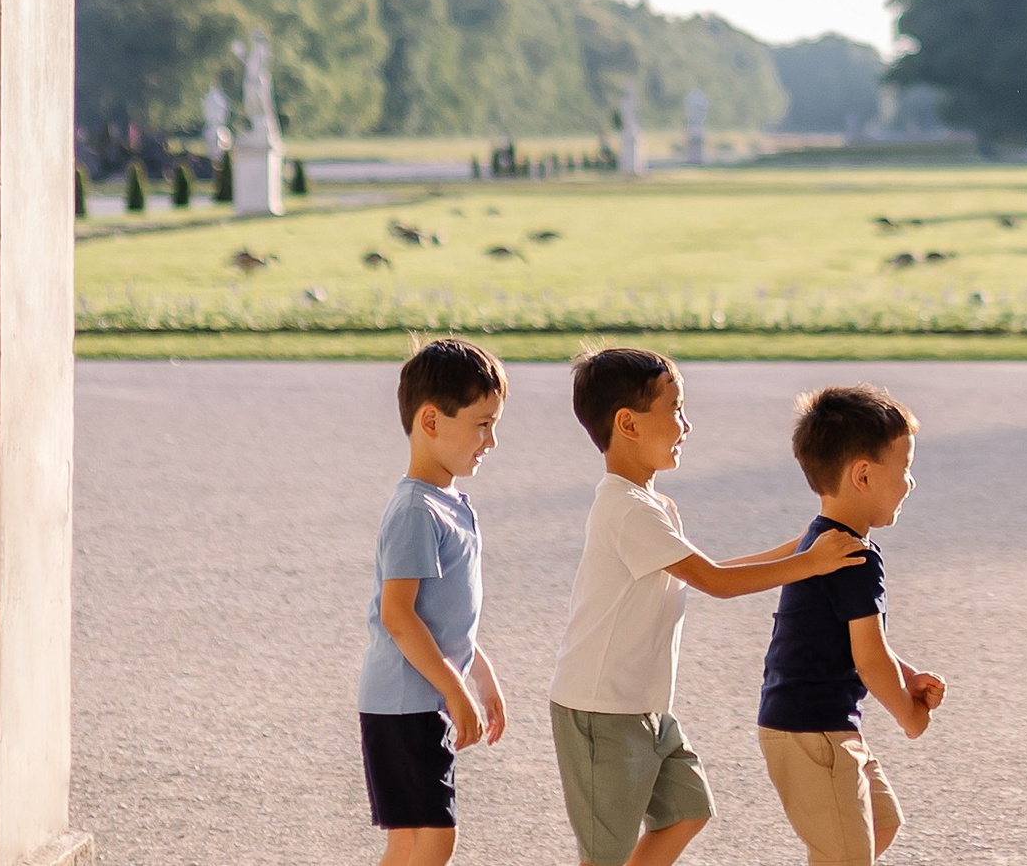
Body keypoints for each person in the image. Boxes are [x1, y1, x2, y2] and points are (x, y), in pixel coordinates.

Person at [547, 347, 870, 866]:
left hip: (643, 705)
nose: (686, 424)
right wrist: (810, 563)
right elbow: (717, 582)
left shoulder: (652, 505)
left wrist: (805, 546)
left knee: (687, 810)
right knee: (603, 854)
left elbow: (714, 568)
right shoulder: (625, 510)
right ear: (628, 424)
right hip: (599, 709)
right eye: (675, 409)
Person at [756, 384, 947, 866]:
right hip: (814, 732)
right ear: (863, 474)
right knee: (846, 857)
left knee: (882, 823)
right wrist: (909, 714)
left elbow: (863, 642)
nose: (910, 483)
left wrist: (906, 675)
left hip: (817, 726)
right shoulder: (854, 556)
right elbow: (868, 658)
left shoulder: (822, 540)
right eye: (904, 469)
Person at [355, 337, 510, 866]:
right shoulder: (416, 510)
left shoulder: (450, 504)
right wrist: (455, 689)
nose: (490, 439)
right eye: (482, 423)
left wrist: (481, 674)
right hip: (406, 701)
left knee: (411, 839)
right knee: (432, 837)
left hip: (417, 699)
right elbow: (398, 616)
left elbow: (447, 615)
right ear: (431, 421)